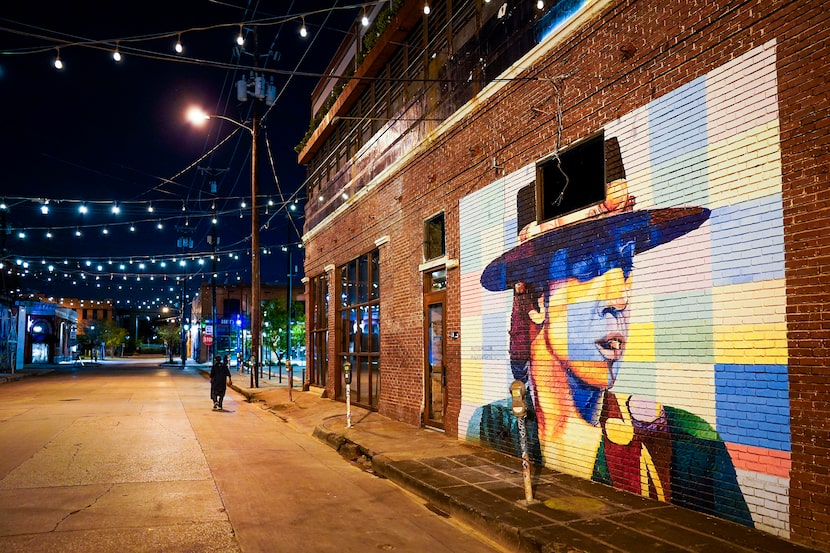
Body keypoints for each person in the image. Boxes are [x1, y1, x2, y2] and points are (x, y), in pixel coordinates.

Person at [468, 159, 754, 527]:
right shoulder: (496, 425)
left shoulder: (687, 444)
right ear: (538, 300)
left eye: (626, 266)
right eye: (587, 269)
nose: (620, 297)